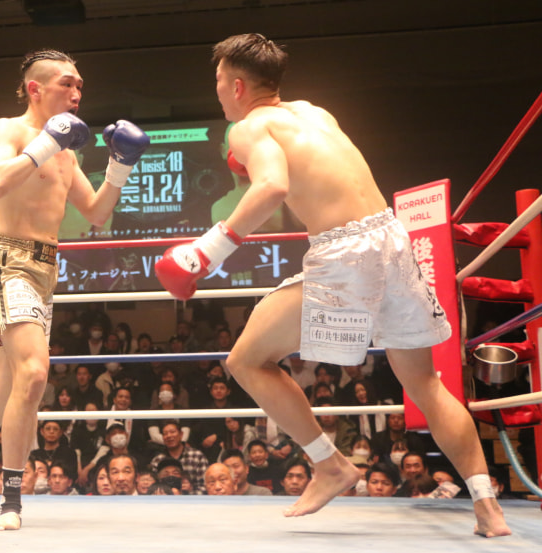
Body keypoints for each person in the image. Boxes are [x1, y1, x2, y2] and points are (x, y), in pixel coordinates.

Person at [154, 32, 509, 538]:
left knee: (246, 360)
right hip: (392, 239)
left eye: (217, 81)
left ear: (236, 86)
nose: (216, 91)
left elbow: (272, 185)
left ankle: (330, 464)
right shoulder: (315, 112)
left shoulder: (249, 127)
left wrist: (206, 251)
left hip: (347, 252)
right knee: (426, 385)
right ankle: (488, 509)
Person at [0, 48, 149, 531]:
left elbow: (96, 212)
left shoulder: (67, 152)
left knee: (7, 386)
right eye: (67, 83)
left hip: (46, 269)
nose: (77, 92)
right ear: (35, 89)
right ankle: (12, 502)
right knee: (34, 373)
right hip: (9, 260)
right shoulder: (7, 130)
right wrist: (45, 143)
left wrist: (120, 165)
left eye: (80, 85)